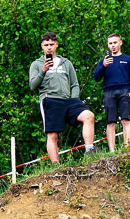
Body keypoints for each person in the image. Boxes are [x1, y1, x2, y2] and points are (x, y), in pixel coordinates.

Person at [27, 32, 95, 164]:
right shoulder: (36, 64)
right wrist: (43, 71)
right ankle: (56, 166)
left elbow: (74, 84)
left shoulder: (66, 63)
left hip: (68, 100)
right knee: (53, 134)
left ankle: (90, 152)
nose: (49, 47)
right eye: (46, 45)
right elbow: (32, 86)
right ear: (42, 46)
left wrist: (74, 99)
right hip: (50, 100)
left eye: (51, 44)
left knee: (89, 116)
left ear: (56, 45)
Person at [92, 33, 130, 151]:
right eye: (110, 43)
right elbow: (96, 77)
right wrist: (103, 66)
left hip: (125, 91)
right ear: (108, 45)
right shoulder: (104, 61)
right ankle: (112, 151)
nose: (113, 45)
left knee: (126, 120)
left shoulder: (128, 59)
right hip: (109, 92)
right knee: (110, 122)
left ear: (120, 43)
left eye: (115, 42)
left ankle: (127, 148)